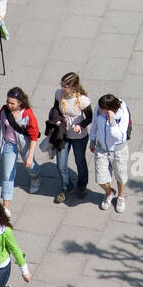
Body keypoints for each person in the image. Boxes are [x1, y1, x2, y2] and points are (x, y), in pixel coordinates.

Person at [0, 88, 41, 215]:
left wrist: (30, 156)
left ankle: (36, 176)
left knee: (30, 165)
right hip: (9, 144)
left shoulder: (28, 115)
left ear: (20, 103)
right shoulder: (4, 110)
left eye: (12, 103)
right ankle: (6, 206)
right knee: (7, 175)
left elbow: (34, 136)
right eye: (7, 102)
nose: (9, 105)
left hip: (24, 144)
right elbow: (0, 117)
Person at [51, 73, 93, 203]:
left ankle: (82, 185)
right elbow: (55, 110)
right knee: (61, 164)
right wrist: (56, 119)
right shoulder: (59, 94)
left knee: (80, 161)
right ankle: (66, 186)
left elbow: (90, 118)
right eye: (62, 85)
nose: (63, 88)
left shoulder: (83, 100)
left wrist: (80, 125)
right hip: (63, 134)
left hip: (79, 137)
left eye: (66, 86)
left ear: (74, 87)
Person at [89, 93, 131, 211]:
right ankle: (109, 192)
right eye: (100, 108)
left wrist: (112, 122)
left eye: (103, 109)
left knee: (120, 176)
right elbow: (95, 124)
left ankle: (121, 197)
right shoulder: (98, 108)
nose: (100, 110)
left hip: (118, 150)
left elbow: (121, 136)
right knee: (101, 179)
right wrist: (92, 140)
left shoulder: (122, 113)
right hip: (102, 148)